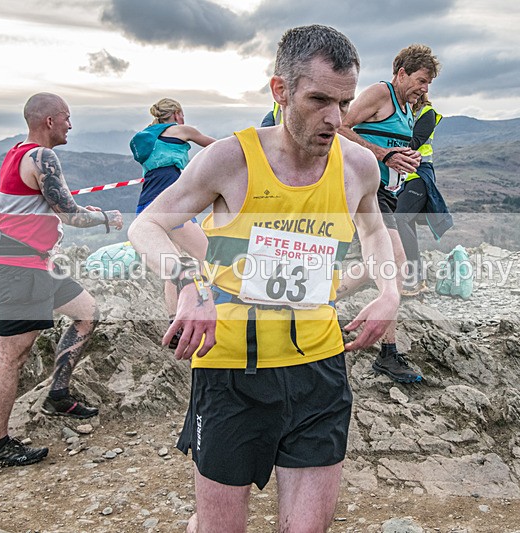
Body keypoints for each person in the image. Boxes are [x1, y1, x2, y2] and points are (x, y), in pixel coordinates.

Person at [128, 25, 399, 533]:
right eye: (319, 100)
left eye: (343, 103)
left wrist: (389, 292)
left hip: (319, 369)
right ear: (281, 91)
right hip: (232, 371)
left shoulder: (359, 166)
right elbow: (146, 225)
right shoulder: (230, 159)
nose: (335, 119)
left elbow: (374, 230)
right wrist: (187, 284)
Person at [0, 92, 124, 469]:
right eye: (66, 117)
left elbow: (53, 206)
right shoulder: (42, 157)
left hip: (39, 266)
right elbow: (70, 215)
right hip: (19, 269)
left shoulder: (18, 153)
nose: (70, 125)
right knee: (12, 357)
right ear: (49, 121)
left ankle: (57, 395)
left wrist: (75, 212)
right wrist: (106, 218)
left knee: (87, 313)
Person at [336, 44, 440, 383]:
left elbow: (392, 145)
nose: (424, 88)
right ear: (402, 73)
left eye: (428, 83)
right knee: (393, 260)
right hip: (365, 187)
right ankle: (388, 353)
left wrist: (407, 158)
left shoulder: (410, 109)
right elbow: (340, 127)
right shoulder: (382, 93)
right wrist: (383, 155)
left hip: (388, 193)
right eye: (421, 80)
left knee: (379, 266)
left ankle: (319, 299)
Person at [131, 99, 216, 339]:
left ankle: (174, 323)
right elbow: (217, 147)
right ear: (177, 113)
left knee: (175, 265)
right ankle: (207, 312)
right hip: (172, 207)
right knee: (209, 257)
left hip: (147, 207)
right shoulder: (181, 130)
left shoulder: (146, 137)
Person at [395, 92, 448, 297]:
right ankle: (412, 275)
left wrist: (382, 144)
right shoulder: (402, 112)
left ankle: (415, 276)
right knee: (405, 221)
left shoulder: (427, 113)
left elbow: (414, 143)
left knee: (400, 218)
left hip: (419, 175)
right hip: (402, 176)